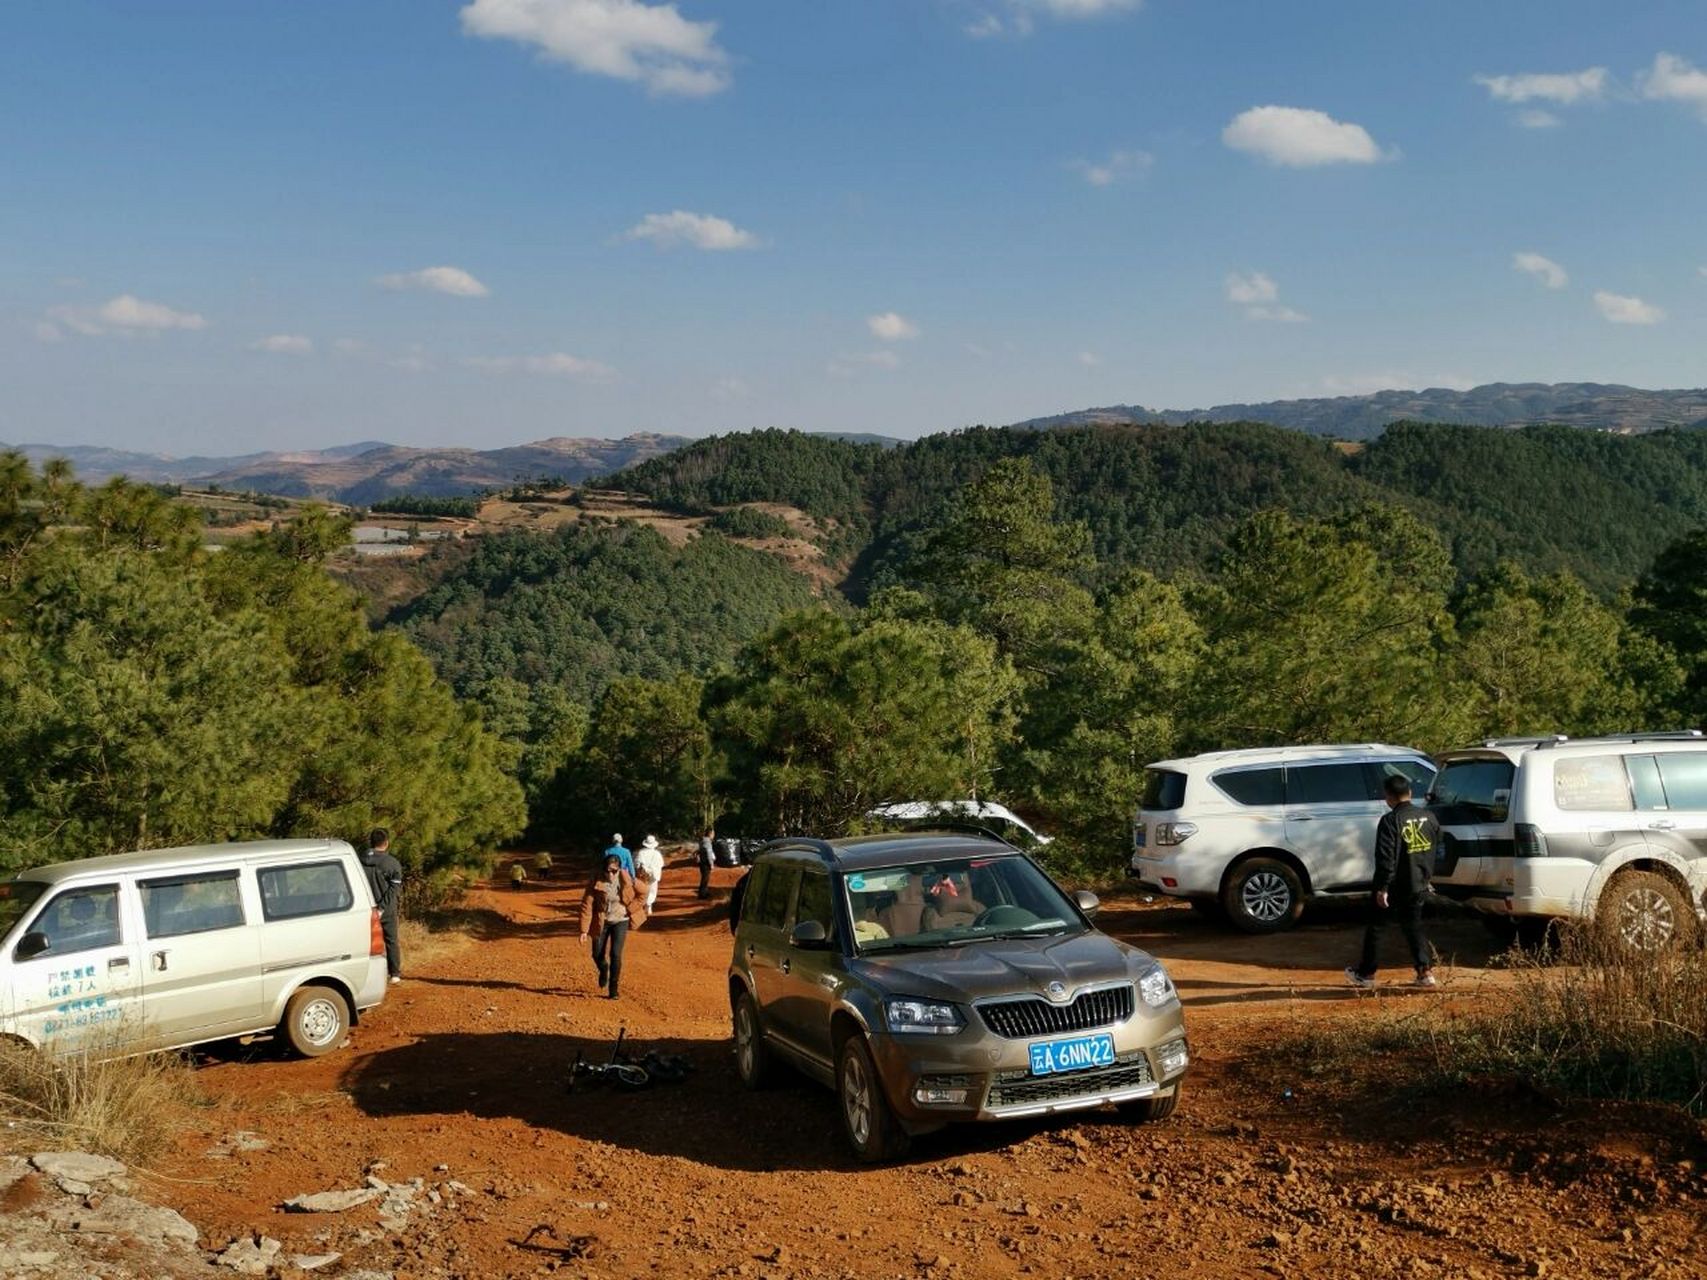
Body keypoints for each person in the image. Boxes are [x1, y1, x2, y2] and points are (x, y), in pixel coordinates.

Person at [1346, 774, 1441, 990]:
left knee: (1377, 928)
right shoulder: (1429, 817)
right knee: (1413, 926)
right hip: (1419, 883)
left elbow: (1386, 857)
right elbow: (1437, 847)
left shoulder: (1390, 821)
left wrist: (1382, 887)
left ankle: (1366, 974)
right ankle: (1425, 973)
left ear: (1388, 797)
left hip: (1396, 884)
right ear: (1410, 793)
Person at [578, 854, 647, 999]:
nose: (611, 874)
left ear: (619, 869)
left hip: (621, 920)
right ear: (603, 869)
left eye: (614, 871)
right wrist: (584, 930)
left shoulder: (626, 878)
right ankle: (604, 968)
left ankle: (613, 989)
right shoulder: (596, 880)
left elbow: (644, 892)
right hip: (601, 921)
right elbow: (587, 905)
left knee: (615, 954)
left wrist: (631, 908)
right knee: (597, 954)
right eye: (608, 870)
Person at [360, 828, 405, 985]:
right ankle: (394, 974)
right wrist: (381, 909)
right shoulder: (392, 863)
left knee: (366, 944)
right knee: (391, 940)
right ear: (386, 843)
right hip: (386, 911)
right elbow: (394, 889)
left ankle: (368, 976)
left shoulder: (358, 860)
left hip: (364, 910)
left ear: (371, 842)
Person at [635, 835, 665, 911]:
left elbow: (637, 864)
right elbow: (661, 864)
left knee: (643, 889)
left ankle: (645, 904)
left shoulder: (641, 852)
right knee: (652, 890)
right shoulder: (657, 853)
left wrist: (644, 869)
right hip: (653, 875)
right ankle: (649, 905)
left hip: (643, 874)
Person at [696, 828, 715, 899]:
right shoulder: (707, 842)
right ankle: (702, 894)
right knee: (705, 878)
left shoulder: (702, 840)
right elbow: (708, 853)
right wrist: (711, 863)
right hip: (706, 862)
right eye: (713, 834)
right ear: (710, 834)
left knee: (704, 878)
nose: (713, 835)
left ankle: (705, 892)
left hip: (702, 862)